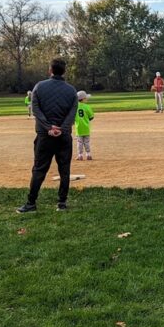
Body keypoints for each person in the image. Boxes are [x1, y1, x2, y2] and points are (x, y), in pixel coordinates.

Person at [17, 58, 78, 213]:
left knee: (39, 169)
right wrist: (62, 128)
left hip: (44, 135)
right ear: (64, 71)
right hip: (64, 137)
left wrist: (48, 126)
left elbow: (36, 109)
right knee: (64, 169)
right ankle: (62, 203)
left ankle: (31, 203)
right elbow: (72, 113)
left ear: (50, 70)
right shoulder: (71, 90)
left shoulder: (39, 87)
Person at [75, 90, 95, 161]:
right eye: (86, 98)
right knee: (86, 142)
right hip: (86, 128)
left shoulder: (75, 107)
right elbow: (91, 117)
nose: (87, 99)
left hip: (78, 128)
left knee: (79, 142)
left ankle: (80, 155)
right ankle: (88, 154)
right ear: (82, 99)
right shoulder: (87, 106)